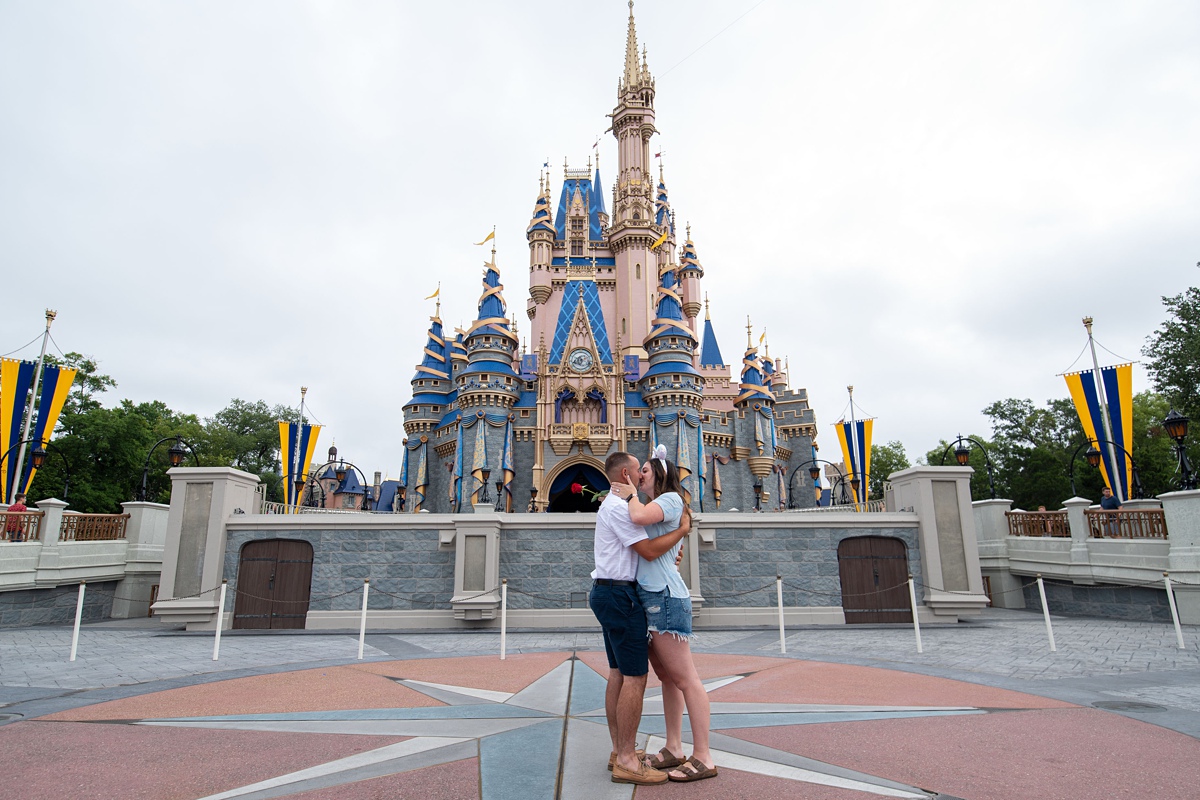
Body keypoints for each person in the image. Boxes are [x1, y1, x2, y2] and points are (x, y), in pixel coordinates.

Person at [609, 445, 719, 783]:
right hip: (652, 597)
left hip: (666, 599)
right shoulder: (656, 503)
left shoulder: (670, 499)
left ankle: (703, 756)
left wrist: (628, 494)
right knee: (669, 679)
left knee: (685, 678)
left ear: (658, 473)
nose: (639, 475)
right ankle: (674, 747)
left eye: (644, 470)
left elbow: (640, 519)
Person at [589, 451, 691, 786]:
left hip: (610, 593)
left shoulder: (618, 506)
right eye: (639, 471)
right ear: (625, 474)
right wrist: (682, 531)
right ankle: (628, 761)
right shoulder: (620, 508)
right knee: (634, 677)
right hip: (619, 596)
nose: (643, 476)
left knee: (618, 672)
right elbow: (647, 551)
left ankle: (619, 751)